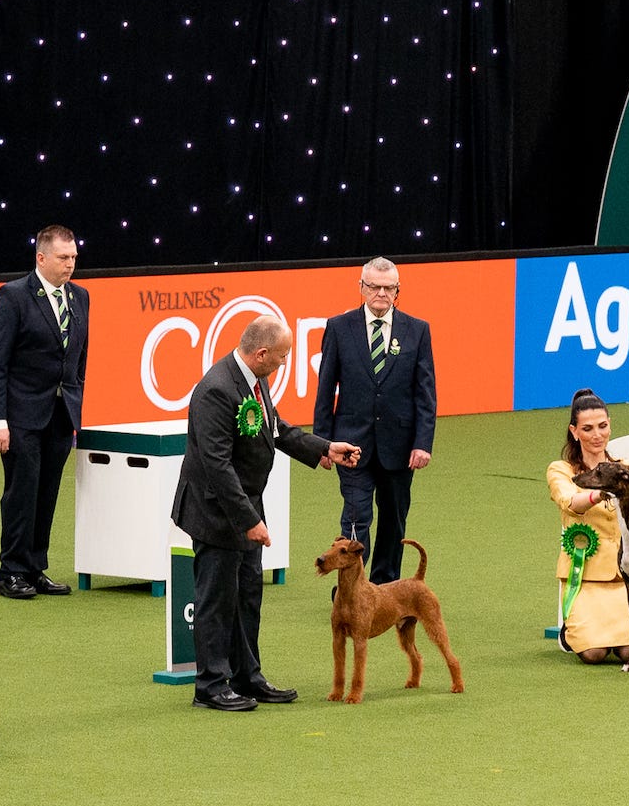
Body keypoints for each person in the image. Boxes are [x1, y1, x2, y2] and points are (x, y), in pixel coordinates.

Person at [173, 315, 358, 711]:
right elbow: (216, 465)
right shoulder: (216, 391)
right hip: (215, 512)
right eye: (282, 356)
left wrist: (324, 448)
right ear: (261, 354)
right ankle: (210, 685)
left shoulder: (255, 381)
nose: (284, 363)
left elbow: (276, 428)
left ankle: (247, 677)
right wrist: (249, 521)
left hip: (244, 509)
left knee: (247, 596)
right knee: (216, 599)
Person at [311, 255, 436, 582]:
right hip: (351, 443)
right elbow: (325, 389)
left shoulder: (418, 330)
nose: (381, 293)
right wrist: (322, 444)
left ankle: (385, 584)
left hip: (400, 444)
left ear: (398, 290)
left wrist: (423, 443)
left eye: (388, 288)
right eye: (374, 287)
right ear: (361, 288)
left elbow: (425, 393)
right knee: (355, 517)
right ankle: (351, 588)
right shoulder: (339, 328)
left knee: (394, 519)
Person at [0, 225, 87, 600]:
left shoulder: (81, 297)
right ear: (41, 258)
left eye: (73, 257)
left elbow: (78, 358)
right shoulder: (13, 296)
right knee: (21, 492)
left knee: (48, 492)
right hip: (20, 415)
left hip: (60, 414)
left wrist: (76, 406)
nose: (70, 264)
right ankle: (10, 571)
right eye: (63, 257)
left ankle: (34, 568)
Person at [546, 391, 629, 664]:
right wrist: (600, 493)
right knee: (593, 654)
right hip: (583, 575)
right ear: (574, 432)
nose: (597, 435)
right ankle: (569, 631)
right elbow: (570, 502)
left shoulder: (626, 469)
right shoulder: (560, 470)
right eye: (587, 428)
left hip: (625, 578)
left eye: (602, 426)